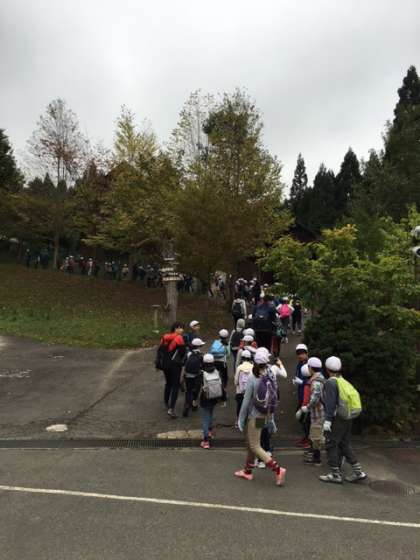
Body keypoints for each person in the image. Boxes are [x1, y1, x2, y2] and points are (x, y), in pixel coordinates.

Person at [235, 348, 286, 486]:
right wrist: (271, 420)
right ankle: (247, 471)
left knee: (255, 445)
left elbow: (246, 400)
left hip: (255, 415)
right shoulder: (270, 373)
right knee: (251, 443)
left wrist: (240, 419)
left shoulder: (254, 377)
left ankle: (278, 469)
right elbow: (273, 397)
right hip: (265, 414)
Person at [319, 356, 367, 484]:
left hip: (337, 419)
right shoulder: (342, 380)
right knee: (344, 444)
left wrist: (327, 421)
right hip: (347, 416)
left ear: (327, 368)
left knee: (331, 444)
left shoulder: (330, 383)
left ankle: (335, 474)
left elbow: (330, 404)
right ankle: (358, 472)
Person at [255, 350, 288, 468]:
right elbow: (285, 374)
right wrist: (280, 364)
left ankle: (261, 459)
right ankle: (268, 450)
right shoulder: (272, 369)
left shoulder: (254, 373)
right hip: (271, 405)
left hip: (259, 407)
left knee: (260, 430)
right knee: (267, 426)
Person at [296, 358, 325, 466]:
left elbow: (315, 398)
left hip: (318, 413)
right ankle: (315, 456)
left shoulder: (316, 381)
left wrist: (306, 408)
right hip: (318, 412)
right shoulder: (320, 377)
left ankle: (317, 460)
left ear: (310, 368)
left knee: (316, 436)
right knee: (315, 435)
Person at [159, 322, 187, 419]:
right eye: (180, 328)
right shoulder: (179, 338)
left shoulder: (164, 337)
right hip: (175, 365)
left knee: (168, 383)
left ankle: (166, 402)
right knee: (175, 385)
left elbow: (160, 350)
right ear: (176, 328)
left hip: (165, 364)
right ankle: (171, 409)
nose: (182, 330)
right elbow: (183, 352)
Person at [199, 353, 224, 449]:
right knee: (210, 413)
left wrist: (194, 399)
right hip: (214, 397)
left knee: (205, 418)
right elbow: (221, 385)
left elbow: (198, 387)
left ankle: (206, 441)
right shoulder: (217, 372)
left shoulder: (202, 373)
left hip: (205, 398)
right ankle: (209, 431)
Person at [182, 337, 205, 417]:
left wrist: (182, 375)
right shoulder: (200, 355)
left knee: (188, 390)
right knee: (196, 390)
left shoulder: (188, 353)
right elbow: (203, 366)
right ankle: (194, 403)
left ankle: (186, 404)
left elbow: (184, 363)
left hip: (188, 375)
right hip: (197, 375)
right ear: (199, 346)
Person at [292, 343, 310, 448]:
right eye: (298, 353)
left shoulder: (311, 364)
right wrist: (296, 380)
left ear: (306, 353)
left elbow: (314, 380)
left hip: (308, 396)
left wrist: (302, 382)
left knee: (306, 418)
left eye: (302, 353)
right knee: (301, 418)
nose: (300, 355)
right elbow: (297, 374)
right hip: (301, 394)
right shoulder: (299, 364)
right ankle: (306, 437)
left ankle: (308, 439)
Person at [209, 329, 230, 404]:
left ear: (219, 335)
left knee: (215, 377)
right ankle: (223, 392)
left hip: (214, 362)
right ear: (227, 336)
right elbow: (228, 355)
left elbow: (210, 351)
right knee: (224, 378)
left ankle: (215, 393)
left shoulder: (216, 342)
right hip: (222, 363)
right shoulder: (227, 344)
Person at [234, 349, 253, 427]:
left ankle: (238, 421)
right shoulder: (253, 367)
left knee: (239, 406)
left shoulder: (239, 367)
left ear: (242, 358)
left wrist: (238, 385)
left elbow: (236, 381)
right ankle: (250, 421)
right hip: (250, 391)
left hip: (240, 391)